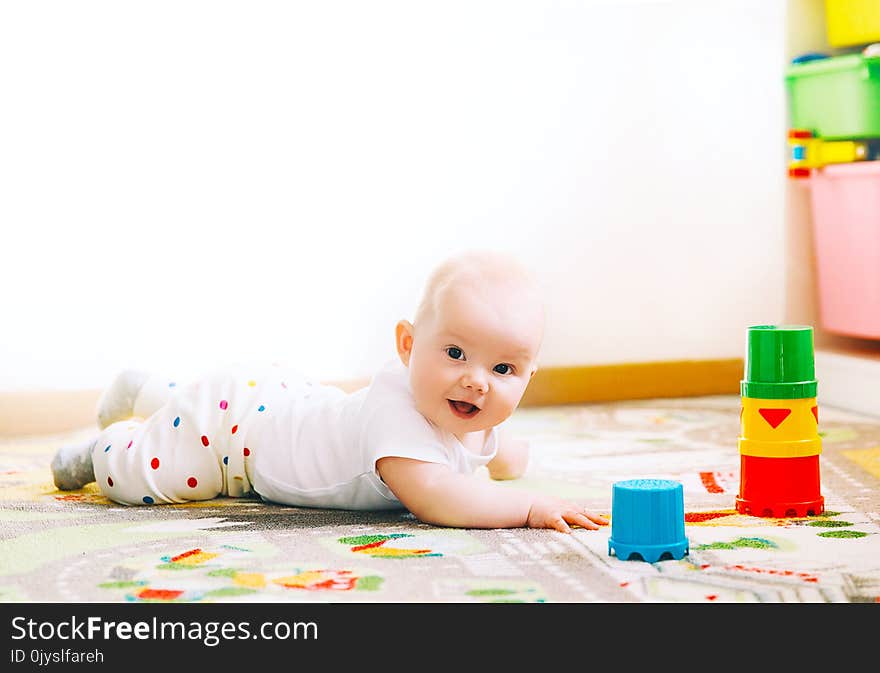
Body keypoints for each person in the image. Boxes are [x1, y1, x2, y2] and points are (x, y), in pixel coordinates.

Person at [51, 250, 608, 533]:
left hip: (282, 399)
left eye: (504, 369)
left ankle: (148, 390)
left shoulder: (473, 407)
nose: (476, 381)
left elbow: (498, 447)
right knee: (156, 474)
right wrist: (529, 506)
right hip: (236, 442)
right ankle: (102, 450)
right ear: (408, 346)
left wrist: (512, 457)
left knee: (193, 403)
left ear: (526, 379)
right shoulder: (397, 420)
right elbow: (441, 500)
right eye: (455, 353)